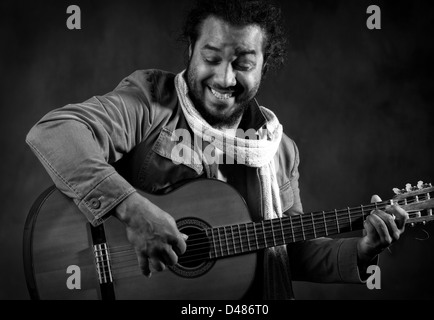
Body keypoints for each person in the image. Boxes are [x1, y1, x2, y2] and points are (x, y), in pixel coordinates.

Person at [26, 0, 407, 300]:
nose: (224, 78)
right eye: (211, 59)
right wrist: (131, 209)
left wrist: (362, 249)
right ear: (191, 50)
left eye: (243, 64)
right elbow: (55, 132)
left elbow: (286, 250)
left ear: (263, 66)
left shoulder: (278, 149)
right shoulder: (148, 99)